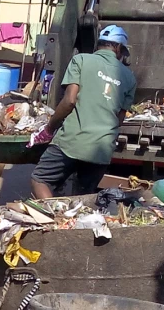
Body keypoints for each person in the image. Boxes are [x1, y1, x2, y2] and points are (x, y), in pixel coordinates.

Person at [29, 25, 136, 199]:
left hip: (71, 142)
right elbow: (119, 119)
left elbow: (69, 100)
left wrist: (49, 129)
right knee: (83, 196)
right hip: (101, 150)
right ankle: (74, 224)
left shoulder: (81, 60)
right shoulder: (129, 77)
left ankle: (56, 220)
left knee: (40, 179)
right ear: (118, 48)